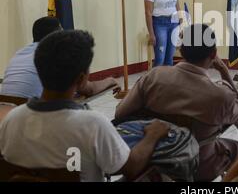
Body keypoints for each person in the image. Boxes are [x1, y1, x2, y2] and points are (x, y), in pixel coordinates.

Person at [0, 30, 170, 182]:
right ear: (82, 79)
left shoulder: (11, 120)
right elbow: (131, 167)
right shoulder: (92, 124)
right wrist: (153, 135)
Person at [115, 24, 238, 181]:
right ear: (214, 54)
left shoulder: (154, 76)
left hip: (150, 161)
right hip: (197, 165)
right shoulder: (221, 96)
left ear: (181, 50)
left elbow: (120, 113)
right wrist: (224, 72)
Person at [0, 17, 119, 99]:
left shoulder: (19, 53)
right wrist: (111, 80)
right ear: (57, 35)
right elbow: (88, 89)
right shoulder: (55, 55)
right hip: (35, 116)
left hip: (8, 110)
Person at [144, 0, 183, 67]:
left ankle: (167, 81)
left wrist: (182, 24)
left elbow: (178, 7)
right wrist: (151, 34)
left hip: (174, 23)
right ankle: (155, 80)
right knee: (160, 57)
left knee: (170, 57)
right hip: (160, 24)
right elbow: (148, 13)